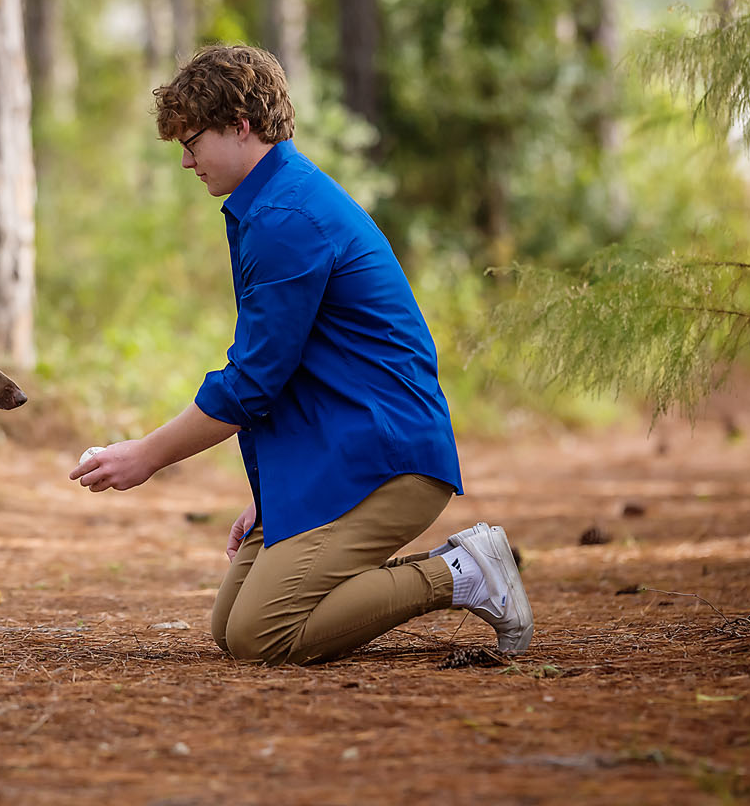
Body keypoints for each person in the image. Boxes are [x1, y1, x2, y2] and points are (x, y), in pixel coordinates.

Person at [68, 44, 532, 666]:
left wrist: (145, 456)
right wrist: (276, 494)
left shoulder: (288, 217)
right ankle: (401, 564)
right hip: (342, 452)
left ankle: (461, 573)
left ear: (240, 125)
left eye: (192, 140)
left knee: (264, 634)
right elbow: (294, 372)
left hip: (390, 460)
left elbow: (252, 384)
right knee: (230, 627)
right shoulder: (276, 201)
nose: (185, 160)